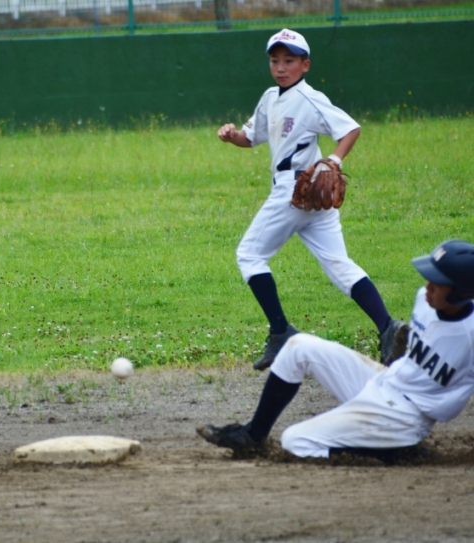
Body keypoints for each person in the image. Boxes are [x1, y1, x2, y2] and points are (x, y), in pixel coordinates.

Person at [218, 28, 406, 370]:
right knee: (339, 264)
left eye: (289, 60)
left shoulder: (309, 99)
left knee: (250, 256)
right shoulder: (269, 97)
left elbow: (350, 129)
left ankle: (280, 332)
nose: (281, 67)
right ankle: (388, 328)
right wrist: (232, 137)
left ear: (305, 65)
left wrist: (334, 160)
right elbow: (251, 137)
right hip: (312, 197)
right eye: (275, 60)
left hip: (295, 191)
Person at [197, 239, 474, 462]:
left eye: (437, 283)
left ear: (460, 293)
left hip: (405, 418)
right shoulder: (424, 301)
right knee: (298, 346)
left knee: (295, 441)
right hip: (385, 382)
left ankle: (393, 451)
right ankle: (253, 436)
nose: (427, 287)